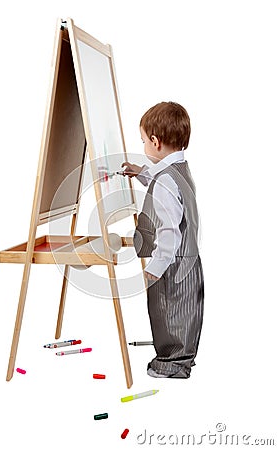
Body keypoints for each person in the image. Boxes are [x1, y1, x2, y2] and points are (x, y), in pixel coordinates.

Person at [121, 101, 204, 378]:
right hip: (187, 263)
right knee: (182, 315)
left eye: (143, 140)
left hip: (172, 266)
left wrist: (154, 270)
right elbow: (164, 186)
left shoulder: (165, 182)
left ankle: (172, 364)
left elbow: (169, 232)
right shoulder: (178, 170)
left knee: (170, 315)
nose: (143, 145)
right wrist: (141, 173)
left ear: (155, 142)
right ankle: (177, 359)